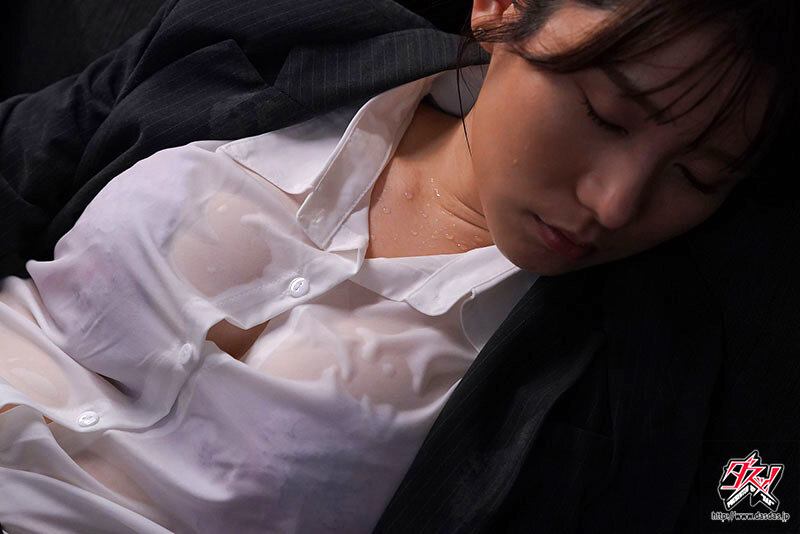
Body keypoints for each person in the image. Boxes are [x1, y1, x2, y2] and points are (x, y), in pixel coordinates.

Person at [0, 0, 796, 532]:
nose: (616, 205)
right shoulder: (275, 35)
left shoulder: (642, 371)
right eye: (605, 116)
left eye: (696, 176)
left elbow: (754, 497)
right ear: (501, 6)